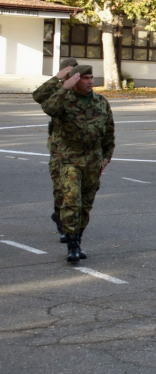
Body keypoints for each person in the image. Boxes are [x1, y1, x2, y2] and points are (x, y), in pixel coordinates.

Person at [40, 64, 114, 263]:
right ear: (75, 80)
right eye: (85, 78)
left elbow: (109, 131)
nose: (90, 81)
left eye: (91, 77)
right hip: (70, 157)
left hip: (93, 158)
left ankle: (78, 239)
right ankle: (72, 245)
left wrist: (107, 155)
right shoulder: (64, 100)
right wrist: (64, 87)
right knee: (72, 201)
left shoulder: (101, 102)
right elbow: (47, 107)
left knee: (86, 204)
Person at [32, 57, 80, 242]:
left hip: (79, 149)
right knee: (61, 189)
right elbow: (38, 96)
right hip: (59, 148)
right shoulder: (58, 88)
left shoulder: (81, 86)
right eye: (71, 70)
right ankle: (61, 221)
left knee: (76, 191)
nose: (76, 73)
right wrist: (57, 79)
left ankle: (69, 222)